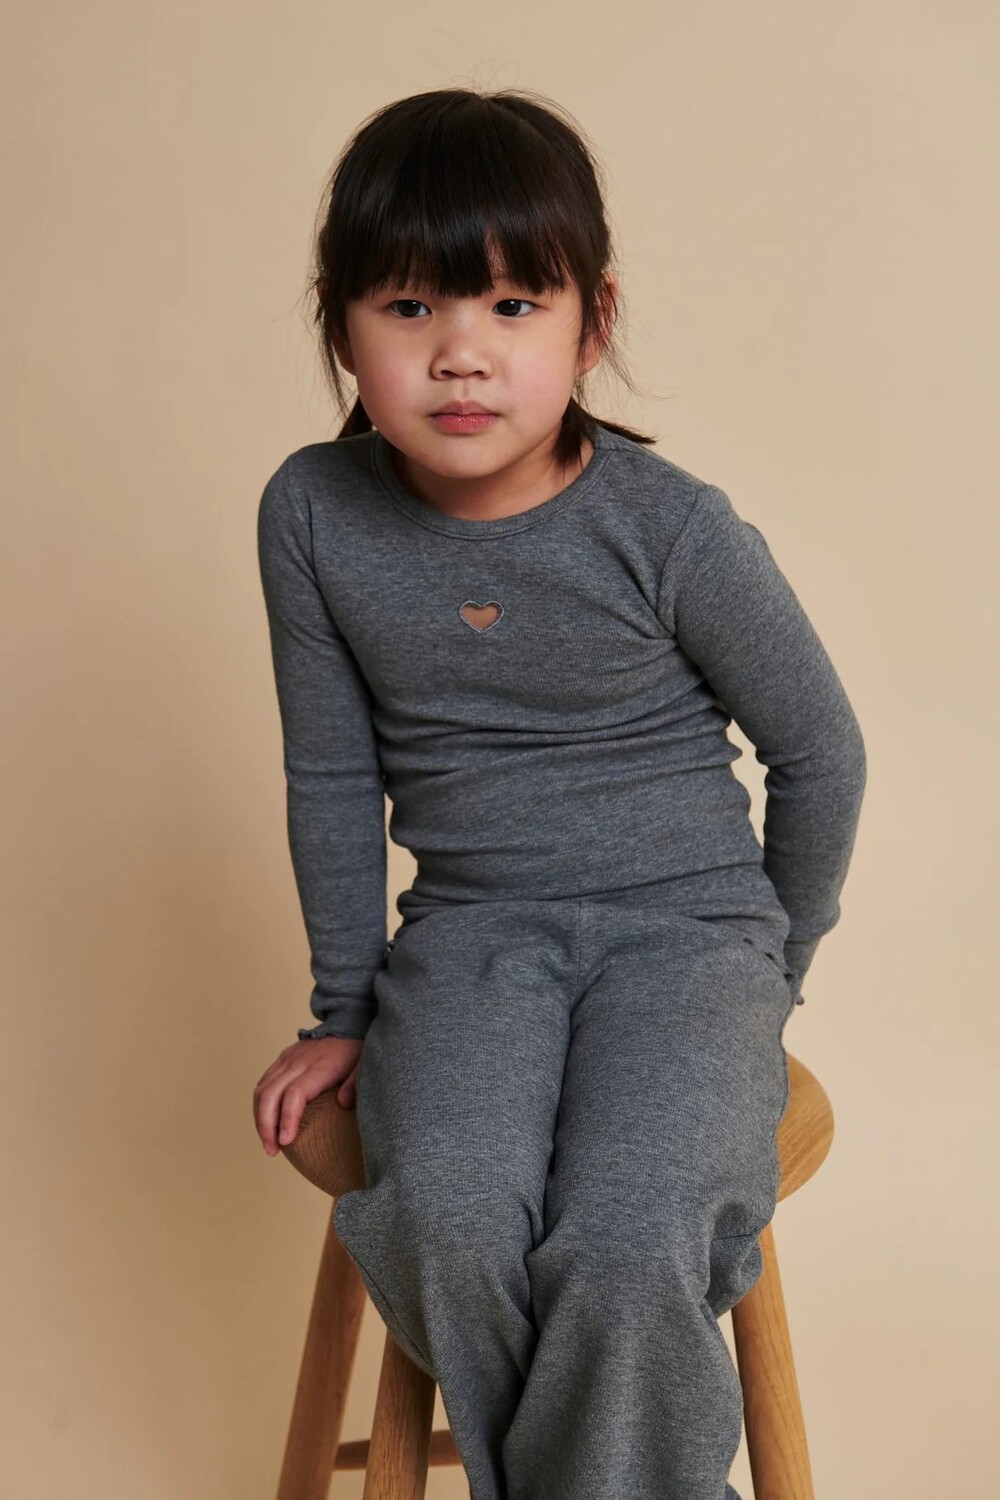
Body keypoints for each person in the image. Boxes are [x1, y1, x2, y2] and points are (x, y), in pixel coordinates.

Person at [251, 86, 866, 1500]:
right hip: (473, 942)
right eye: (410, 306)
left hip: (690, 943)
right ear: (340, 326)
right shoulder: (313, 513)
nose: (461, 353)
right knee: (450, 1220)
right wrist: (342, 1008)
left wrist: (769, 973)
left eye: (514, 306)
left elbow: (823, 752)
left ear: (593, 327)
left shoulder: (671, 528)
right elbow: (331, 774)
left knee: (627, 1239)